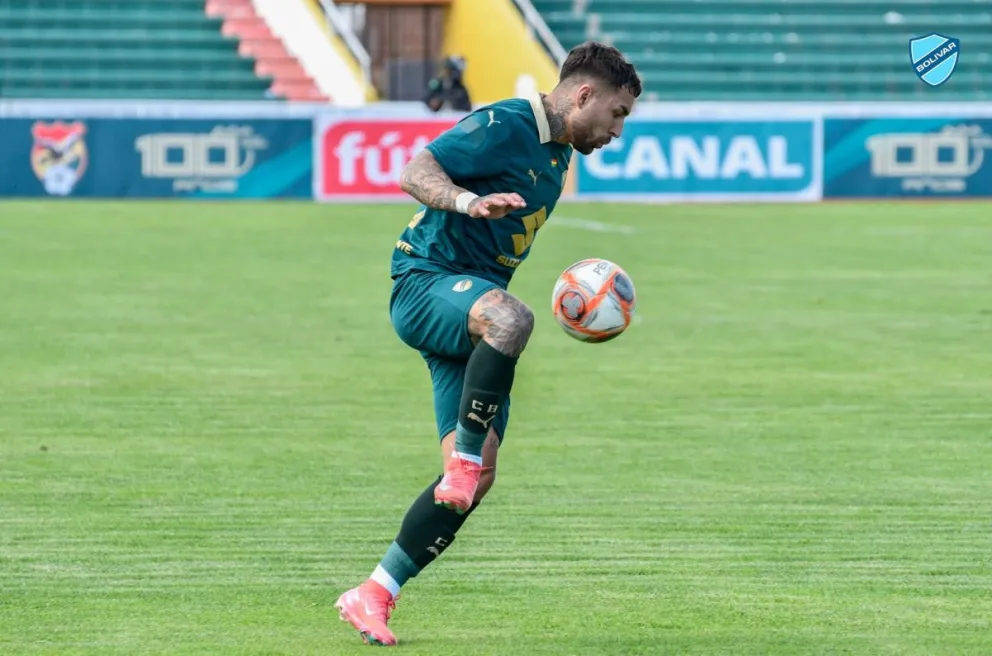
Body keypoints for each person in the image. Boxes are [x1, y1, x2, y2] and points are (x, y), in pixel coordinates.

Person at [334, 41, 642, 647]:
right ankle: (464, 460)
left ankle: (374, 592)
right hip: (425, 284)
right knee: (510, 319)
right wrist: (468, 201)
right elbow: (415, 171)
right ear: (584, 95)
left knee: (477, 482)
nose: (617, 130)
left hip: (468, 309)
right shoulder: (507, 123)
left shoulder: (557, 156)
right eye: (617, 113)